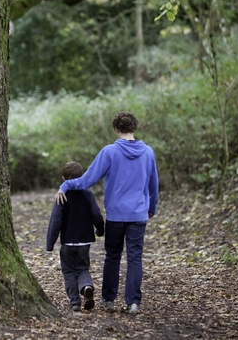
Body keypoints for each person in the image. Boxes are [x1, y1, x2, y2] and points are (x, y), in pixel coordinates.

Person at [55, 111, 159, 314]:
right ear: (134, 129)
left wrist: (66, 185)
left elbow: (87, 179)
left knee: (112, 256)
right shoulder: (148, 152)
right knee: (135, 258)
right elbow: (153, 185)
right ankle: (133, 302)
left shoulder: (110, 152)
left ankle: (108, 300)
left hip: (116, 215)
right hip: (138, 214)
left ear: (116, 129)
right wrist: (151, 208)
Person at [46, 161, 105, 312]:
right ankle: (86, 287)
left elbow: (56, 221)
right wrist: (100, 229)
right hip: (84, 241)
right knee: (83, 268)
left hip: (67, 241)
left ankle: (75, 302)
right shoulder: (88, 194)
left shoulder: (62, 195)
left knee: (68, 271)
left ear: (63, 178)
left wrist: (50, 243)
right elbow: (96, 215)